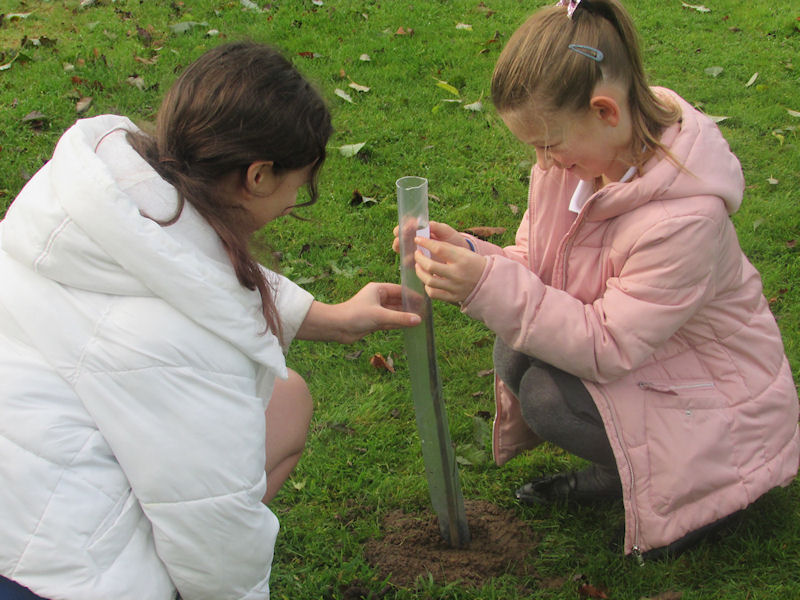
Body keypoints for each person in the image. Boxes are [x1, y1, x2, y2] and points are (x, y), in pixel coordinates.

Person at [0, 42, 420, 599]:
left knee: (286, 398)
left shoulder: (85, 201)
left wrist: (331, 319)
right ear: (259, 176)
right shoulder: (186, 346)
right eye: (303, 187)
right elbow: (213, 528)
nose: (298, 202)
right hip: (48, 579)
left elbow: (177, 269)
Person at [395, 0, 800, 561]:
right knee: (515, 351)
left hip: (727, 408)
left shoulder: (685, 219)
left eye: (548, 143)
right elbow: (536, 263)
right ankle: (629, 469)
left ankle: (711, 493)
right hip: (659, 364)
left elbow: (606, 346)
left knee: (545, 395)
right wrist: (468, 254)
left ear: (605, 111)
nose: (543, 161)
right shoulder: (575, 164)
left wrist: (482, 284)